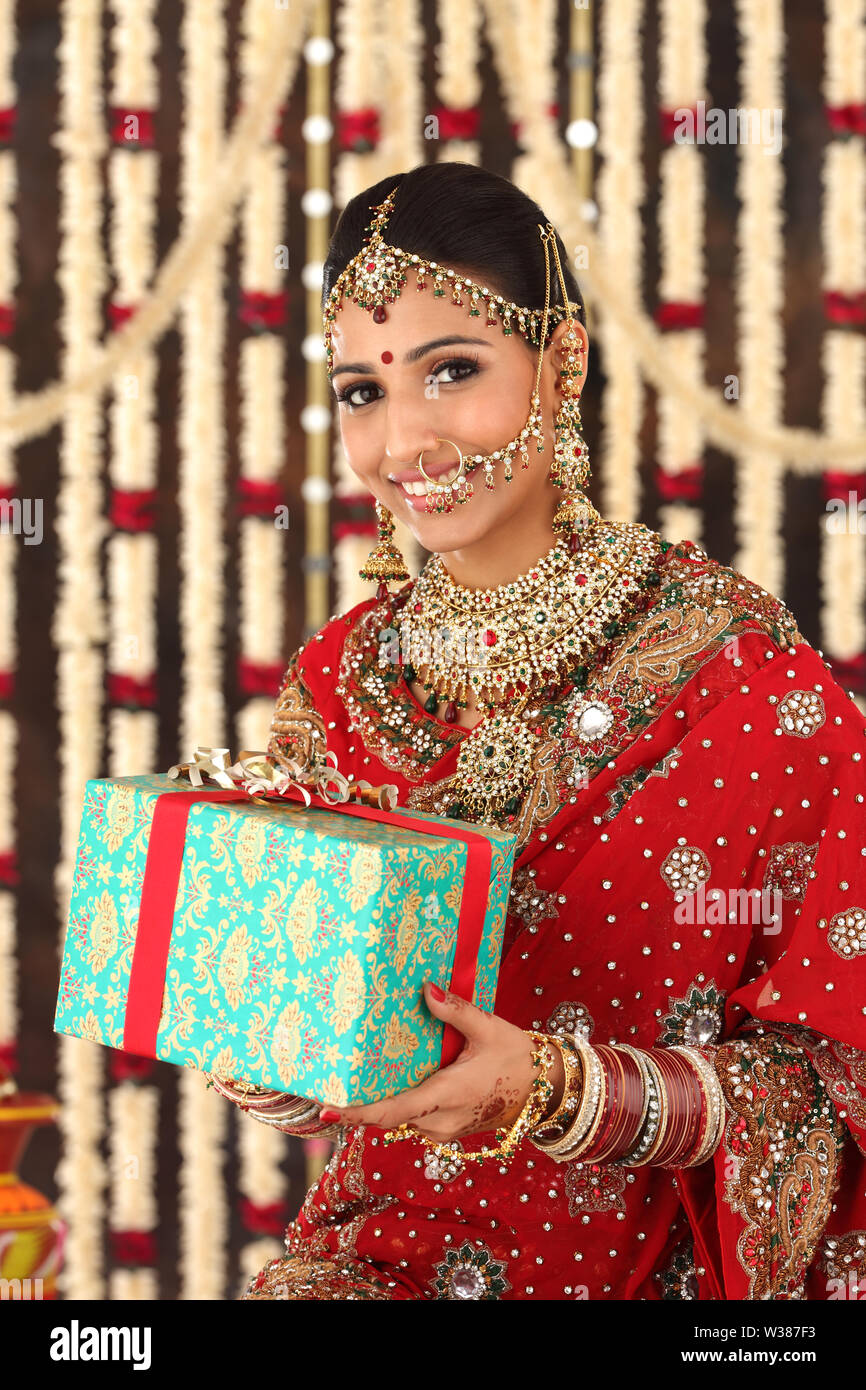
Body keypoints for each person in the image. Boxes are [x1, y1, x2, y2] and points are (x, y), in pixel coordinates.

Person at [208, 163, 866, 1301]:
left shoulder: (741, 680)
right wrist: (251, 1038)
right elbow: (333, 1061)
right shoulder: (342, 682)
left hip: (646, 1275)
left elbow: (834, 1085)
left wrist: (558, 1091)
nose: (404, 440)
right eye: (362, 390)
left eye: (449, 371)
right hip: (372, 1260)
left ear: (560, 361)